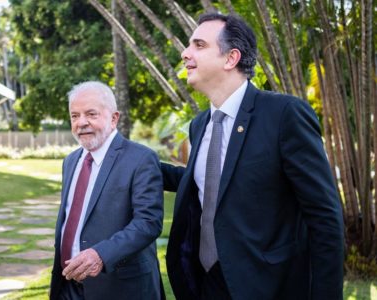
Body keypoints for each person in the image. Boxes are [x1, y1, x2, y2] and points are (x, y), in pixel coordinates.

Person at [161, 13, 344, 300]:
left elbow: (324, 217)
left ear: (231, 58)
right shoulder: (199, 125)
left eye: (198, 45)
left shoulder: (285, 115)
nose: (185, 53)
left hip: (267, 284)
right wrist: (137, 162)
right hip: (206, 283)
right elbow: (213, 183)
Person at [50, 81, 164, 300]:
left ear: (114, 118)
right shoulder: (71, 161)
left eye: (91, 114)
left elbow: (148, 222)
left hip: (119, 289)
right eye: (74, 116)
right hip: (68, 286)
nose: (81, 122)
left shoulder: (141, 159)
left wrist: (100, 254)